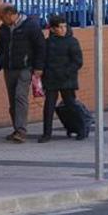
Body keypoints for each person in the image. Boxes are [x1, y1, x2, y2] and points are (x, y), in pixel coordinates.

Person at [0, 4, 45, 143]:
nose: (0, 19)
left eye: (1, 16)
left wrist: (39, 67)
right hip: (9, 68)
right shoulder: (3, 28)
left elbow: (40, 46)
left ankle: (21, 131)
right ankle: (17, 129)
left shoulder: (30, 26)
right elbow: (1, 48)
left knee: (20, 97)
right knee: (13, 100)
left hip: (25, 67)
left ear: (10, 14)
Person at [40, 15, 83, 143]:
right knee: (49, 106)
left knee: (71, 105)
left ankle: (81, 129)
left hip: (66, 79)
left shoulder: (72, 41)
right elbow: (43, 59)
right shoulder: (47, 43)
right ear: (52, 29)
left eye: (65, 26)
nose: (63, 29)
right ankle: (46, 133)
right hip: (51, 78)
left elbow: (77, 62)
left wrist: (66, 72)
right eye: (60, 27)